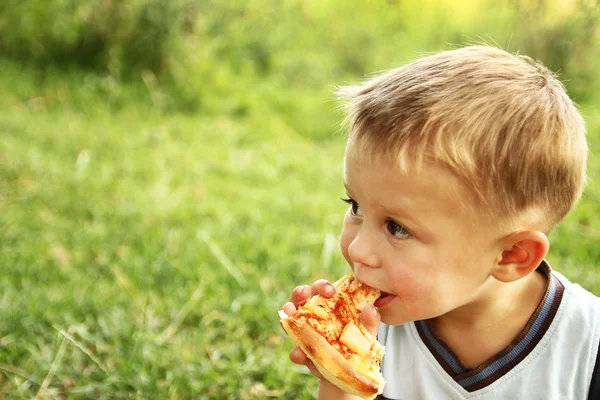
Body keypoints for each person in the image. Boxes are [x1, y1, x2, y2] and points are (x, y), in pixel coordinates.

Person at [281, 45, 600, 399]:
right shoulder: (372, 331)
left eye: (397, 228)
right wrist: (341, 375)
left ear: (512, 255)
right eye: (355, 205)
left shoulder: (586, 353)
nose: (357, 249)